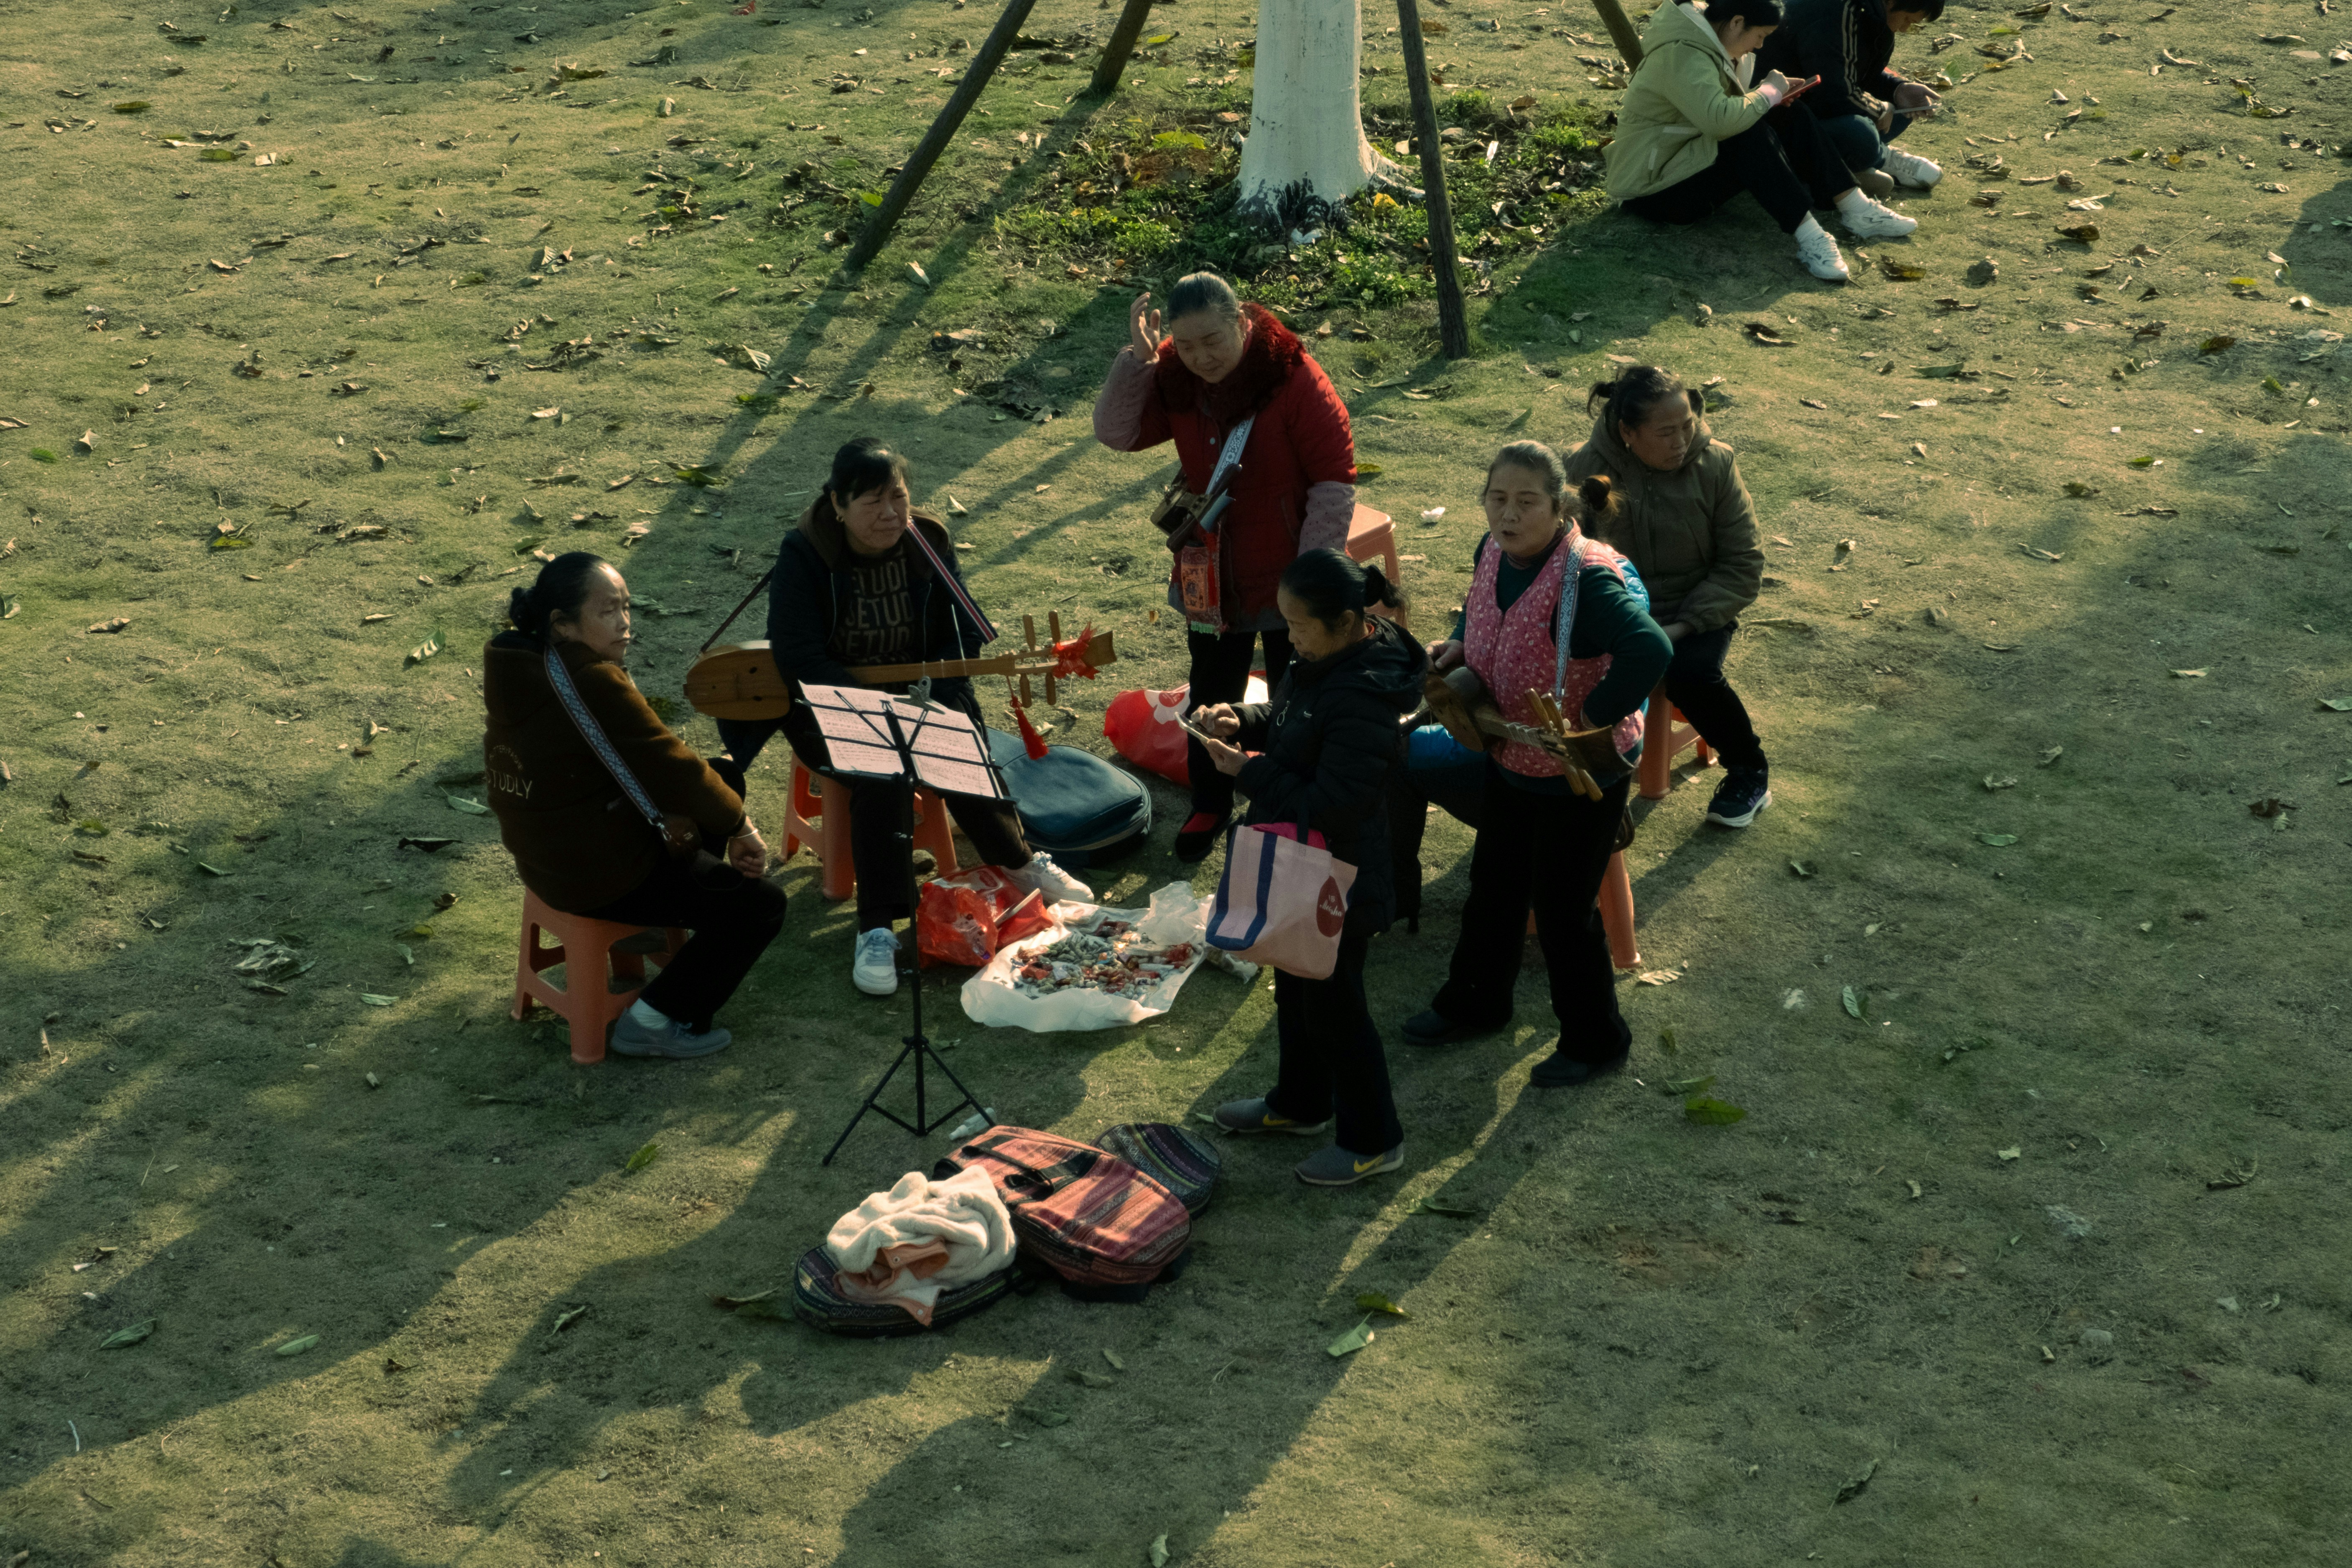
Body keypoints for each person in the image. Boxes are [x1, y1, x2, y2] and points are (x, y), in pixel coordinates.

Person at [713, 437, 1090, 998]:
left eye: (899, 498)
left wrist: (939, 700)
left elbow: (954, 637)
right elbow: (798, 658)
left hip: (919, 691)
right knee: (881, 770)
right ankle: (876, 927)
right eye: (872, 503)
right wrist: (873, 706)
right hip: (826, 703)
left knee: (958, 742)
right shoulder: (806, 553)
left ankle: (1018, 862)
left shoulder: (927, 542)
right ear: (838, 504)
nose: (891, 515)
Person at [1401, 449, 1673, 1086]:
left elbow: (1649, 647)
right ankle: (1475, 1002)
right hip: (1509, 755)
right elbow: (1484, 613)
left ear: (1558, 507)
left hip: (1580, 772)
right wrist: (1462, 645)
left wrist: (1596, 714)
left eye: (1526, 501)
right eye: (1497, 498)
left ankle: (1595, 1039)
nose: (1509, 513)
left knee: (1562, 912)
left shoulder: (1587, 581)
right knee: (1493, 885)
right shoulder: (1490, 551)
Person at [1093, 269, 1358, 862]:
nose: (1200, 357)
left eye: (1212, 340)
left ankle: (1288, 800)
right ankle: (1210, 799)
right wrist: (1137, 361)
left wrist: (1309, 577)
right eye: (1184, 346)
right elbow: (1116, 432)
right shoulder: (1174, 374)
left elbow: (1334, 478)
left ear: (1241, 323)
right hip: (1209, 570)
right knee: (1212, 686)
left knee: (1299, 692)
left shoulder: (1292, 378)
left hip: (1287, 568)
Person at [484, 553, 786, 1058]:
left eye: (626, 607)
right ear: (562, 624)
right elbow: (671, 765)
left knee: (724, 775)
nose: (624, 623)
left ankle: (651, 931)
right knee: (760, 907)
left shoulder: (521, 664)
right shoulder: (592, 680)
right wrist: (740, 827)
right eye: (607, 612)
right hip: (599, 876)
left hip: (547, 860)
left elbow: (657, 765)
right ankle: (651, 1020)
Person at [1198, 551, 1427, 1186]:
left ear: (1349, 621)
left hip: (1339, 875)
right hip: (1304, 863)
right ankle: (1299, 1103)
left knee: (1336, 1008)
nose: (1290, 636)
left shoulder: (1364, 693)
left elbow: (1334, 802)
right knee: (1295, 988)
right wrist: (1242, 719)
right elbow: (1294, 719)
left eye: (1299, 625)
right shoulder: (1324, 659)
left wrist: (1249, 771)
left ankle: (1374, 1139)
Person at [1564, 366, 1773, 829]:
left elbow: (1742, 564)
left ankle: (1748, 770)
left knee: (1687, 670)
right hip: (1617, 609)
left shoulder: (1716, 464)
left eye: (1687, 426)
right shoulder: (1584, 469)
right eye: (1665, 432)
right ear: (1627, 432)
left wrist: (1678, 627)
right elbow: (1564, 553)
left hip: (1694, 609)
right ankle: (1576, 776)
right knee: (1561, 660)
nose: (1681, 440)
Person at [1606, 0, 1919, 284]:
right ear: (1736, 23)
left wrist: (1771, 97)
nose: (1759, 47)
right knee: (1748, 130)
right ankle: (1811, 237)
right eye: (1760, 36)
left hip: (1687, 160)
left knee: (1787, 111)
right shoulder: (1681, 52)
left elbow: (1719, 112)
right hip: (1652, 190)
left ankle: (1855, 207)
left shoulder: (1708, 42)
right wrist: (1767, 92)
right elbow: (1720, 121)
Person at [1756, 0, 1946, 191]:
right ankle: (1880, 159)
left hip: (1817, 109)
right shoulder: (1832, 10)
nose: (1905, 29)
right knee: (1860, 134)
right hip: (1781, 119)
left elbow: (1855, 70)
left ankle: (1849, 165)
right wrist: (1879, 110)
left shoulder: (1868, 12)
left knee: (1905, 106)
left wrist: (1897, 88)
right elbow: (1833, 89)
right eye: (1907, 19)